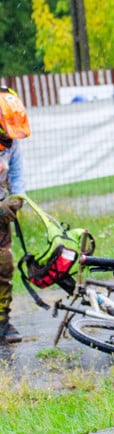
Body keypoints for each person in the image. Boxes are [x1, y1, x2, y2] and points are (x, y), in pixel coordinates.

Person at [0, 87, 30, 343]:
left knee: (3, 265)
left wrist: (16, 197)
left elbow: (16, 173)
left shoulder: (12, 139)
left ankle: (2, 322)